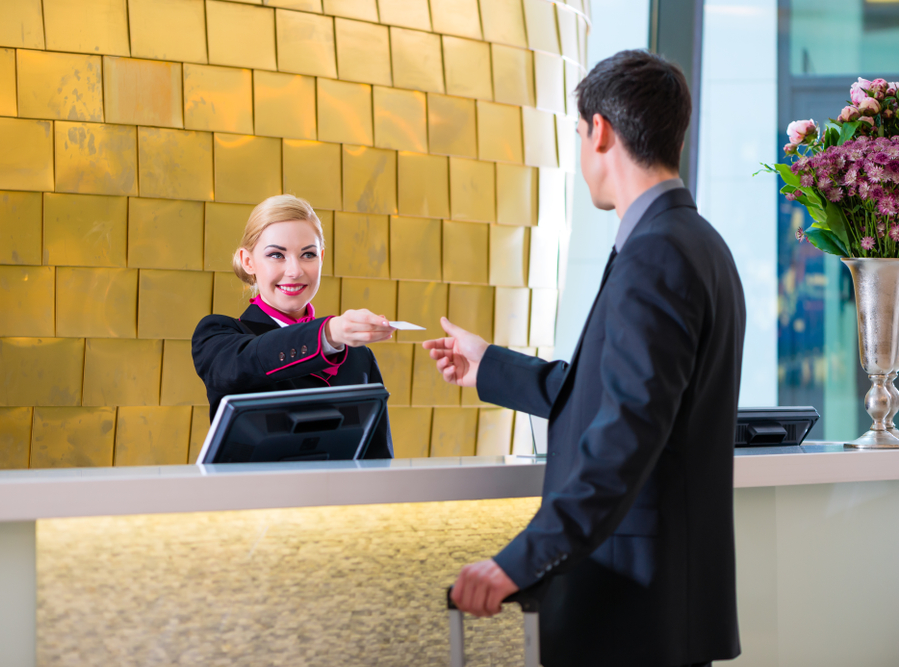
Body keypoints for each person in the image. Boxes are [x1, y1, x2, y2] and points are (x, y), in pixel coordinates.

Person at [426, 50, 746, 667]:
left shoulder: (655, 254)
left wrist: (515, 563)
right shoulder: (700, 243)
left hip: (630, 615)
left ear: (599, 130)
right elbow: (616, 392)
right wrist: (488, 364)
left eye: (577, 134)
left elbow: (624, 440)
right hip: (661, 612)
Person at [192, 194, 396, 459]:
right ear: (248, 261)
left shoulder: (358, 356)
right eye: (276, 255)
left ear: (321, 259)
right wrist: (327, 333)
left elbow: (377, 458)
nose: (295, 270)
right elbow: (247, 361)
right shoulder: (218, 335)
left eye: (308, 255)